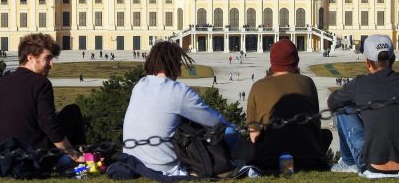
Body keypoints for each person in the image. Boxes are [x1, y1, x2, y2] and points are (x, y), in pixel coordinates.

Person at [122, 41, 234, 176]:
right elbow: (214, 120)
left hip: (133, 160)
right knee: (229, 130)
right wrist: (233, 128)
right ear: (175, 65)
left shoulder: (139, 85)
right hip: (163, 166)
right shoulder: (178, 91)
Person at [0, 33, 86, 174]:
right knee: (72, 112)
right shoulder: (41, 83)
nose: (51, 64)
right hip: (29, 162)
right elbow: (49, 124)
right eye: (47, 58)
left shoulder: (4, 81)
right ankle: (80, 161)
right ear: (31, 57)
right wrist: (74, 155)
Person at [327, 35, 399, 178]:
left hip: (373, 167)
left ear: (367, 62)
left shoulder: (359, 84)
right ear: (393, 59)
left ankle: (348, 163)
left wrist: (360, 104)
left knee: (343, 109)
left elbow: (332, 103)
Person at [246, 39, 332, 174]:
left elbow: (254, 134)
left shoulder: (258, 86)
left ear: (272, 61)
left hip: (270, 160)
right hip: (308, 159)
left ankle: (285, 167)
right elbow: (314, 124)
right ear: (296, 60)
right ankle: (294, 165)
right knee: (326, 134)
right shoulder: (308, 82)